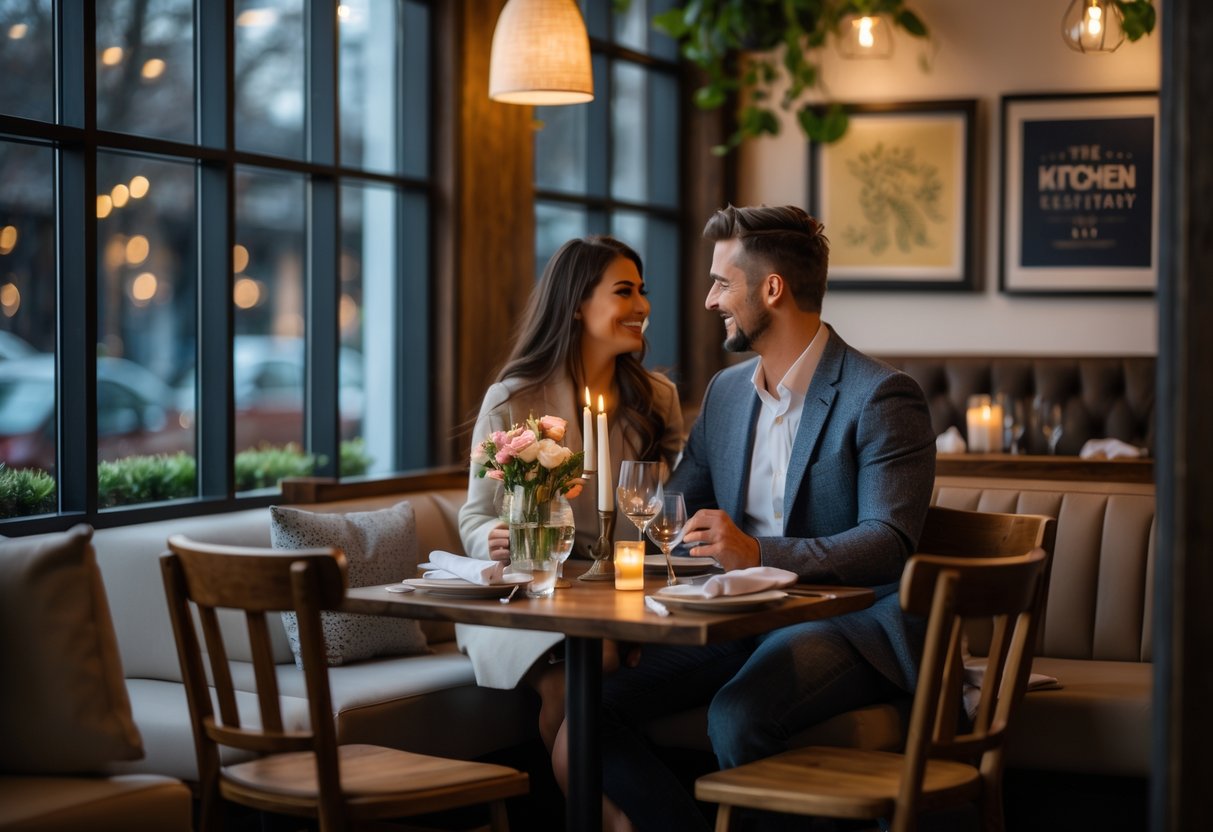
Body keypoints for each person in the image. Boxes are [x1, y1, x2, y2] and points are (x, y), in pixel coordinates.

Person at [589, 205, 937, 831]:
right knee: (589, 706)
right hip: (734, 619)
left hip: (850, 621)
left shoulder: (882, 395)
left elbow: (889, 543)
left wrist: (757, 554)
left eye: (722, 282)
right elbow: (673, 513)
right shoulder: (725, 394)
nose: (707, 300)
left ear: (771, 289)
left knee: (737, 714)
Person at [456, 234, 683, 753]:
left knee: (598, 669)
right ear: (577, 305)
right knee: (587, 665)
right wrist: (492, 535)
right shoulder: (513, 400)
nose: (642, 306)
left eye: (642, 291)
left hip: (620, 596)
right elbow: (474, 516)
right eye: (624, 292)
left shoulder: (658, 400)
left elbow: (674, 505)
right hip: (527, 598)